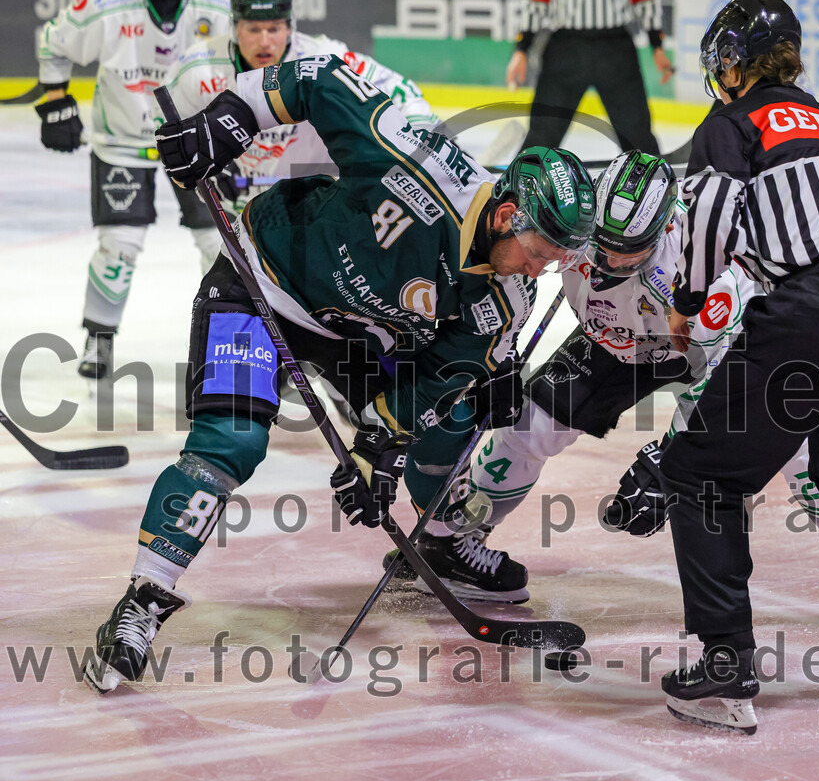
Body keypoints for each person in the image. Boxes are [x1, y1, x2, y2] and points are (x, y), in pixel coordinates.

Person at [83, 52, 596, 693]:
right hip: (261, 282)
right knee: (230, 441)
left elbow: (436, 378)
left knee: (463, 409)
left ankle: (438, 540)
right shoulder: (418, 167)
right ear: (505, 217)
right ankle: (143, 601)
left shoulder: (505, 302)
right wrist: (231, 118)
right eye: (539, 254)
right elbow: (319, 79)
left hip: (354, 333)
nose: (540, 271)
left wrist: (378, 446)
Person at [632, 0, 819, 734]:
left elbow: (707, 222)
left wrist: (687, 302)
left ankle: (725, 665)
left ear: (728, 61)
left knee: (699, 471)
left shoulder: (731, 125)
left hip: (816, 315)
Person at [385, 150, 819, 605]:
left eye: (629, 251)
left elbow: (723, 379)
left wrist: (669, 461)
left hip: (716, 349)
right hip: (615, 341)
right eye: (603, 244)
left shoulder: (700, 274)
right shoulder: (577, 226)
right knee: (527, 426)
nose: (610, 262)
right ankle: (448, 542)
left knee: (799, 452)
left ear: (665, 230)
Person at [36, 0, 232, 381]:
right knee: (119, 245)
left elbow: (248, 58)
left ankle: (228, 340)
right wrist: (55, 100)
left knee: (221, 244)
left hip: (196, 138)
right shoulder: (105, 0)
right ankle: (99, 335)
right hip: (122, 140)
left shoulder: (218, 2)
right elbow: (53, 42)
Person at [169, 0, 441, 218]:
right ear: (235, 28)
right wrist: (202, 173)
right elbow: (171, 137)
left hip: (314, 212)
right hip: (236, 211)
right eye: (253, 29)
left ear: (290, 28)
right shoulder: (198, 68)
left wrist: (419, 154)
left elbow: (405, 93)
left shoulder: (323, 59)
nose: (264, 41)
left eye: (274, 28)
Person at [506, 0, 674, 155]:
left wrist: (657, 46)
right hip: (567, 49)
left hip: (615, 49)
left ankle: (651, 180)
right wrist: (521, 49)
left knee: (636, 133)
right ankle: (527, 178)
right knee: (544, 131)